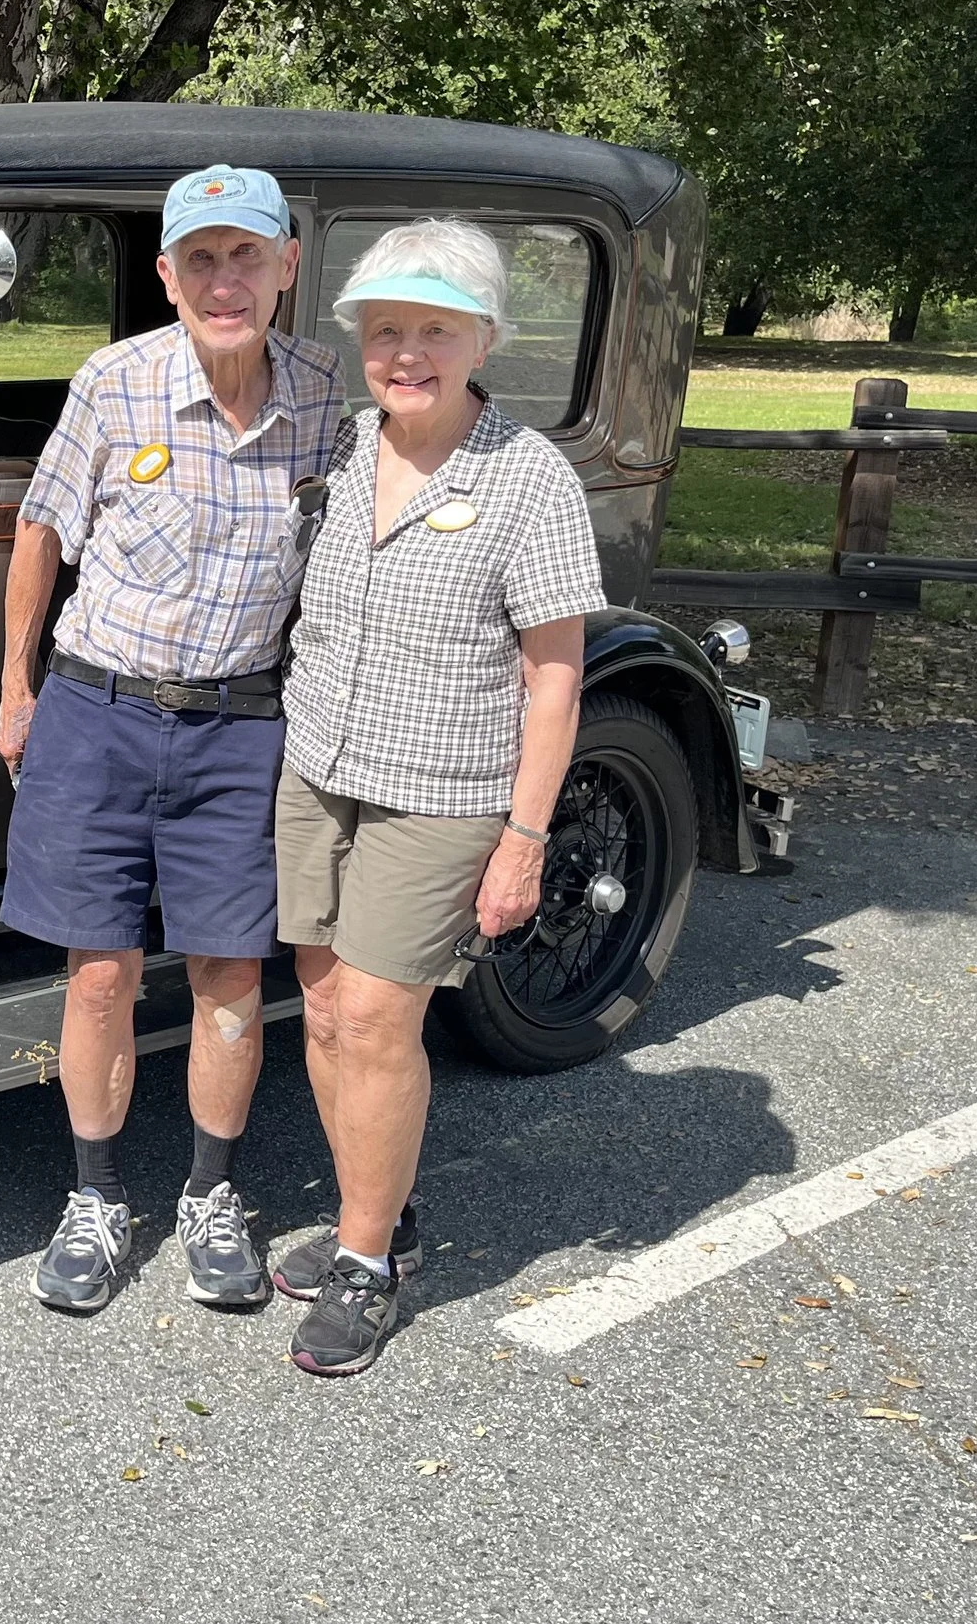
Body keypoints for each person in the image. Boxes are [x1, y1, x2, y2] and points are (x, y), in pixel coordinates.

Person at [0, 165, 346, 1314]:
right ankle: (95, 1198)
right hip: (96, 712)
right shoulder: (115, 382)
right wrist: (16, 691)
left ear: (287, 264)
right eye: (199, 259)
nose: (224, 280)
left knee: (229, 972)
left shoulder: (324, 398)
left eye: (245, 255)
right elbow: (41, 533)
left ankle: (209, 1193)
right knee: (97, 970)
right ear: (166, 276)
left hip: (241, 724)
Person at [268, 218, 605, 1374]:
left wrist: (523, 839)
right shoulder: (350, 448)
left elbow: (553, 677)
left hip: (442, 790)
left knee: (375, 1018)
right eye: (386, 328)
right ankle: (382, 1210)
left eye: (434, 330)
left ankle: (366, 1263)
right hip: (318, 770)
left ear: (482, 339)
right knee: (317, 1013)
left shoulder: (526, 478)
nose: (406, 351)